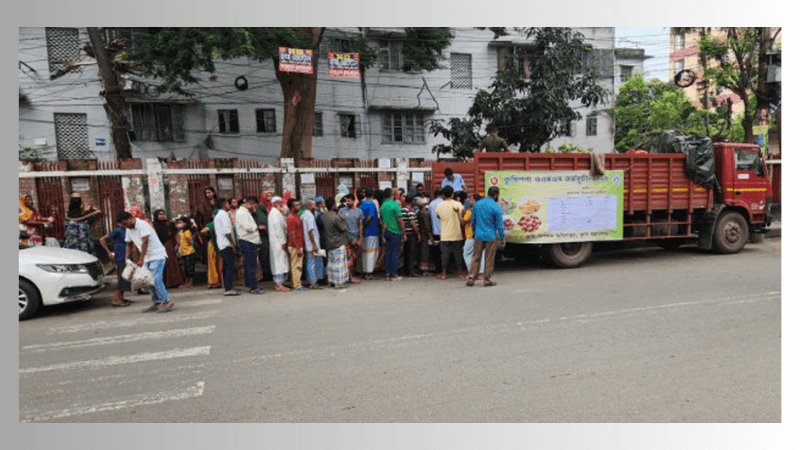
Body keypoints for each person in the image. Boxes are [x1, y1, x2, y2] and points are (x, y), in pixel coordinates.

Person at [116, 210, 173, 313]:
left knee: (156, 279)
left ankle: (166, 301)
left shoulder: (142, 225)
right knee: (147, 281)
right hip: (147, 257)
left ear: (130, 219)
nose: (125, 226)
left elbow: (145, 242)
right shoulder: (129, 229)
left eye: (125, 223)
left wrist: (141, 259)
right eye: (123, 225)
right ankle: (156, 303)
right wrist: (126, 258)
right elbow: (129, 244)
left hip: (157, 255)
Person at [466, 186, 506, 287]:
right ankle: (487, 280)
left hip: (478, 235)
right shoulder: (496, 207)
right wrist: (502, 238)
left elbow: (473, 221)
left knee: (475, 257)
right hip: (491, 236)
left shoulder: (477, 204)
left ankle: (471, 278)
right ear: (496, 194)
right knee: (489, 259)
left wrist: (475, 232)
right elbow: (499, 225)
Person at [436, 186, 468, 280]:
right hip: (456, 233)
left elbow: (438, 216)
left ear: (443, 195)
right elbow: (463, 214)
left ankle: (444, 273)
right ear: (452, 194)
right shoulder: (458, 204)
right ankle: (460, 273)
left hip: (445, 234)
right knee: (458, 254)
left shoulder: (440, 205)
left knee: (445, 255)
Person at [235, 196, 265, 294]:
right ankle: (253, 287)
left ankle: (251, 283)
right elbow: (248, 227)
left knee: (251, 264)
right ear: (250, 203)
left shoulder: (246, 212)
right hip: (247, 240)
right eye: (254, 206)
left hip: (251, 241)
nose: (254, 208)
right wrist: (257, 227)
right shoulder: (241, 213)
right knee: (251, 264)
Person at [98, 224, 133, 307]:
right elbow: (102, 240)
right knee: (121, 278)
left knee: (125, 277)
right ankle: (116, 299)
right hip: (120, 256)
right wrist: (109, 252)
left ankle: (121, 297)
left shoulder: (128, 231)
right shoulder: (117, 231)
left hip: (126, 257)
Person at [213, 198, 239, 296]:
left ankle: (228, 286)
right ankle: (229, 287)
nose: (229, 205)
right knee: (230, 266)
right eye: (228, 203)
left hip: (222, 244)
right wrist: (233, 243)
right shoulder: (223, 215)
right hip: (226, 244)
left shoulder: (218, 215)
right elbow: (227, 231)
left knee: (226, 266)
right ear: (224, 204)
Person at [197, 187, 223, 289]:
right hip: (209, 230)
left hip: (219, 229)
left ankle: (221, 280)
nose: (208, 194)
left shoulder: (218, 202)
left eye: (209, 192)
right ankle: (212, 281)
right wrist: (213, 217)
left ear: (213, 192)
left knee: (220, 258)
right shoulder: (203, 204)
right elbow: (202, 214)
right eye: (206, 193)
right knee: (211, 257)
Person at [153, 209, 185, 289]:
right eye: (160, 214)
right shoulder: (154, 224)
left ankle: (175, 282)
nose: (162, 216)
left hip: (169, 244)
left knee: (171, 262)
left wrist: (177, 244)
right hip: (159, 245)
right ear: (156, 216)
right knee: (161, 263)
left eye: (163, 214)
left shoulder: (169, 223)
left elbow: (175, 233)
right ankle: (164, 283)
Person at [322, 197, 350, 289]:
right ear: (333, 206)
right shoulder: (335, 217)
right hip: (337, 242)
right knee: (339, 264)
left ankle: (331, 281)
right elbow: (343, 228)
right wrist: (342, 220)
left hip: (328, 242)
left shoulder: (325, 216)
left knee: (331, 263)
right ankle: (338, 282)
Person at [380, 188, 405, 281]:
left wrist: (383, 225)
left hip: (386, 231)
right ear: (392, 195)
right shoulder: (394, 205)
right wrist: (404, 233)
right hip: (395, 231)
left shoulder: (383, 205)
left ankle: (387, 274)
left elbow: (381, 219)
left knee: (388, 253)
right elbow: (400, 220)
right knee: (395, 253)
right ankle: (394, 274)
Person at [337, 193, 363, 284]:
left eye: (349, 200)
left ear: (353, 200)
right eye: (346, 201)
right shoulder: (341, 210)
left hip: (355, 237)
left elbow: (360, 226)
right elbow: (337, 224)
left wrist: (360, 239)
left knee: (354, 257)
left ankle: (351, 274)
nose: (347, 202)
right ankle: (349, 276)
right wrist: (340, 219)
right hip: (345, 237)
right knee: (349, 258)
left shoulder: (359, 211)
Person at [284, 198, 307, 292]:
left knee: (297, 265)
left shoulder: (295, 216)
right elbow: (292, 234)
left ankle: (297, 283)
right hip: (295, 246)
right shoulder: (291, 218)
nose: (299, 206)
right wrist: (297, 248)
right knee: (296, 266)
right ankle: (297, 284)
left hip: (297, 244)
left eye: (299, 204)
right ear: (291, 207)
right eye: (297, 205)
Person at [301, 199, 325, 290]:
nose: (315, 207)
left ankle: (311, 280)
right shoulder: (309, 216)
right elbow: (310, 231)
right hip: (311, 243)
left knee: (310, 261)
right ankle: (312, 282)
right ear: (309, 206)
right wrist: (314, 244)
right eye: (313, 205)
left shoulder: (304, 215)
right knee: (311, 262)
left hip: (307, 242)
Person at [268, 196, 290, 292]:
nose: (282, 204)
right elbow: (278, 230)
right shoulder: (275, 214)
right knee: (279, 263)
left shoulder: (276, 213)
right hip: (278, 242)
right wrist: (283, 242)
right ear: (275, 203)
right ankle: (278, 284)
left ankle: (279, 282)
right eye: (280, 202)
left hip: (277, 242)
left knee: (280, 262)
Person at [462, 193, 486, 279]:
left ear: (474, 200)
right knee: (481, 254)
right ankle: (480, 274)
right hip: (481, 234)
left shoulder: (471, 210)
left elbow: (464, 222)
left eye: (471, 199)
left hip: (471, 236)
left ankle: (472, 273)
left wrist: (458, 213)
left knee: (467, 254)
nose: (469, 201)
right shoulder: (483, 209)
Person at [358, 188, 380, 280]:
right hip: (372, 231)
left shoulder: (361, 204)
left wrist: (361, 227)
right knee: (371, 253)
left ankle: (364, 271)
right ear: (373, 196)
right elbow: (370, 217)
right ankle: (369, 272)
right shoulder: (371, 204)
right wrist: (364, 225)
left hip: (364, 232)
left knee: (365, 252)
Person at [401, 194, 423, 277]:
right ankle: (411, 271)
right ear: (412, 201)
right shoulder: (410, 210)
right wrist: (417, 233)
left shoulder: (402, 209)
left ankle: (406, 270)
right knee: (412, 253)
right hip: (411, 233)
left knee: (406, 252)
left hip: (405, 233)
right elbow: (412, 222)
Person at [415, 196, 436, 276]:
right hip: (425, 235)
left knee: (423, 251)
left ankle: (423, 269)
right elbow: (427, 226)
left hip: (421, 233)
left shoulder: (418, 212)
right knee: (426, 252)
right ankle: (426, 270)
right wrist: (430, 236)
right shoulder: (425, 213)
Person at [175, 216, 197, 288]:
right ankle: (187, 281)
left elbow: (189, 242)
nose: (179, 224)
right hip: (184, 252)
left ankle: (191, 282)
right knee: (186, 268)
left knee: (190, 268)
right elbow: (179, 241)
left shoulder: (187, 232)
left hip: (189, 252)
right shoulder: (181, 232)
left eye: (181, 222)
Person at [255, 190, 272, 283]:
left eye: (270, 195)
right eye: (267, 196)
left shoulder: (272, 207)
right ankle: (266, 274)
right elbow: (263, 222)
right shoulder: (261, 207)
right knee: (265, 254)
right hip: (264, 235)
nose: (269, 198)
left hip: (270, 235)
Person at [427, 189, 444, 274]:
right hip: (444, 231)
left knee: (436, 252)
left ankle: (438, 269)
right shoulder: (443, 203)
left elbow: (429, 217)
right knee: (445, 251)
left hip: (435, 231)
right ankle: (445, 269)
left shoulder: (431, 204)